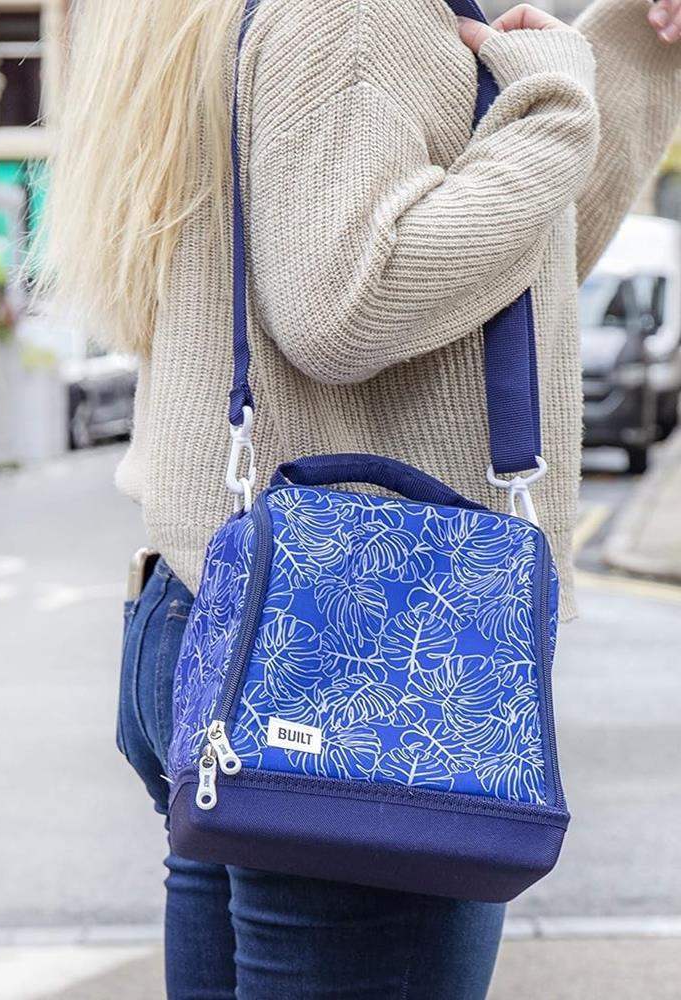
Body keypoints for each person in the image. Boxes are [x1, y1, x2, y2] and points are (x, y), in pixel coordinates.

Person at [44, 1, 681, 996]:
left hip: (237, 619)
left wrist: (626, 55)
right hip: (356, 661)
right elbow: (350, 304)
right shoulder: (357, 14)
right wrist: (554, 105)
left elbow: (503, 273)